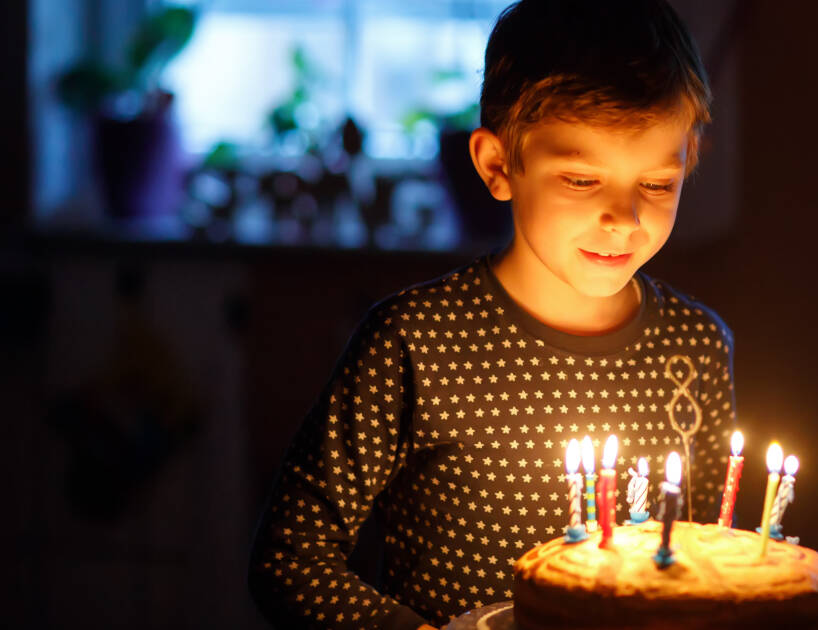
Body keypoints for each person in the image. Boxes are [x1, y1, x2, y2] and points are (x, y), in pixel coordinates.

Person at [248, 1, 736, 628]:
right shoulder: (416, 342)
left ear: (689, 159)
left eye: (655, 185)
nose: (624, 217)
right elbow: (291, 557)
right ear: (497, 165)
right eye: (583, 181)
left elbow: (715, 553)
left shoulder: (695, 346)